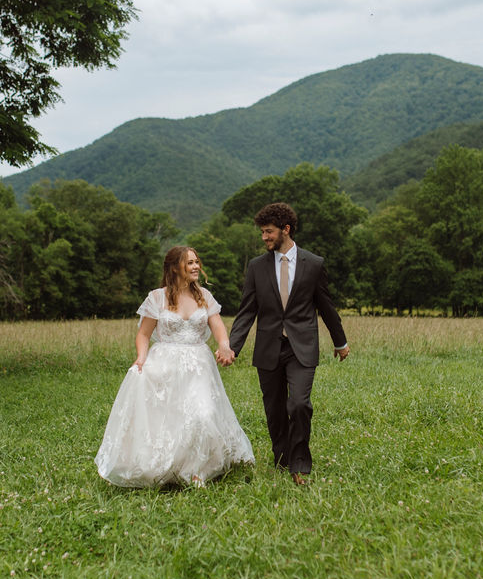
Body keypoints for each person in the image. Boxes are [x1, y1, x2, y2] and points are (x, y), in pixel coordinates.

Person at [95, 246, 255, 488]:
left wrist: (224, 345)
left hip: (199, 365)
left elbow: (218, 326)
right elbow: (144, 334)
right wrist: (141, 358)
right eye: (189, 263)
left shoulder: (204, 296)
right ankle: (170, 467)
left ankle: (197, 470)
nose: (195, 267)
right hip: (165, 365)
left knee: (203, 414)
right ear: (173, 268)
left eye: (196, 262)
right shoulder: (157, 297)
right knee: (172, 419)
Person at [224, 203, 349, 485]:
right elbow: (246, 311)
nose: (264, 237)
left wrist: (340, 341)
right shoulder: (256, 267)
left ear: (286, 230)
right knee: (275, 409)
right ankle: (282, 459)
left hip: (301, 347)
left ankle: (300, 464)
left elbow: (326, 306)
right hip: (268, 347)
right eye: (263, 233)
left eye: (268, 232)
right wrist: (232, 347)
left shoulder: (313, 264)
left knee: (300, 404)